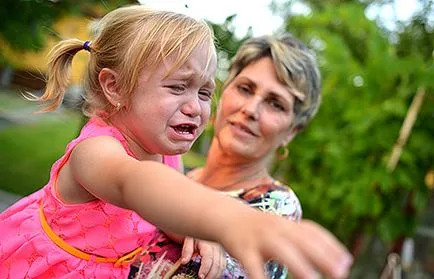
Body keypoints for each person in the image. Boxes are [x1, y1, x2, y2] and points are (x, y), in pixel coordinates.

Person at [0, 5, 352, 279]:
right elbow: (136, 184)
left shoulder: (165, 153)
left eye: (203, 91)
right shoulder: (95, 152)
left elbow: (162, 207)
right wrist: (226, 220)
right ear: (115, 87)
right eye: (177, 87)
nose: (195, 107)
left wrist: (188, 229)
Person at [186, 33, 323, 278]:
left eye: (275, 103)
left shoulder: (276, 208)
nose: (250, 110)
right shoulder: (176, 175)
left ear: (291, 132)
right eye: (245, 89)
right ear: (224, 91)